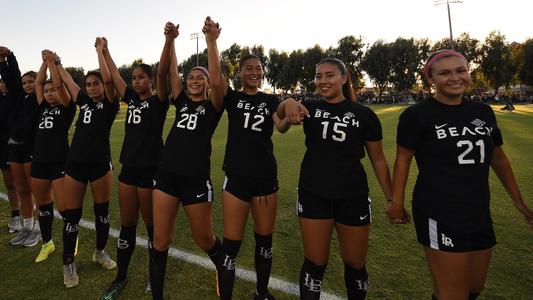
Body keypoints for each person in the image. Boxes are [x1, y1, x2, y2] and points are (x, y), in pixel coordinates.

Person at [388, 49, 533, 300]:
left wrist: (519, 203)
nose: (454, 77)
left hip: (478, 210)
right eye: (444, 73)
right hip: (438, 211)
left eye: (460, 70)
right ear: (430, 79)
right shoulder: (417, 116)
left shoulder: (483, 113)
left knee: (474, 287)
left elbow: (497, 158)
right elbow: (403, 161)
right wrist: (396, 203)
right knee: (452, 294)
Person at [277, 58, 393, 300]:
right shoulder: (309, 108)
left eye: (329, 75)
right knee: (315, 262)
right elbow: (280, 124)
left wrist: (393, 199)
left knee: (355, 263)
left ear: (343, 78)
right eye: (318, 76)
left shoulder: (364, 114)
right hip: (313, 193)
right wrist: (287, 102)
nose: (322, 80)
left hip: (353, 195)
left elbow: (378, 160)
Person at [148, 18, 224, 300]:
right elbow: (168, 72)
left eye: (199, 77)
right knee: (160, 240)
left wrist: (211, 42)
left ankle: (223, 269)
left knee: (205, 239)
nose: (194, 80)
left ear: (207, 84)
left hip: (195, 180)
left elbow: (217, 80)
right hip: (167, 176)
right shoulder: (180, 102)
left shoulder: (214, 106)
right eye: (190, 77)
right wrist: (171, 40)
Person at [98, 30, 170, 299]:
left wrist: (167, 41)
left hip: (152, 170)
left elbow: (164, 75)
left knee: (152, 226)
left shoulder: (159, 101)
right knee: (127, 224)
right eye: (135, 78)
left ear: (151, 80)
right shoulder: (131, 99)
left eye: (142, 77)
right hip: (129, 168)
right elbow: (114, 76)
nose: (137, 81)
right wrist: (105, 51)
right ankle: (121, 277)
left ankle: (155, 278)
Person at [216, 51, 290, 299]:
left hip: (265, 179)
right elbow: (216, 78)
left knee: (264, 242)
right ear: (240, 72)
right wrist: (211, 39)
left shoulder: (270, 100)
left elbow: (280, 125)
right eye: (249, 68)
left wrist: (289, 116)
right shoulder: (233, 98)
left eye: (258, 68)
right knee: (231, 245)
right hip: (237, 177)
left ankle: (262, 292)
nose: (255, 73)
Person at [57, 42, 119, 288]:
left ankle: (100, 252)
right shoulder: (83, 100)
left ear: (103, 85)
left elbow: (110, 78)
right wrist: (58, 63)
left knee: (102, 214)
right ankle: (68, 263)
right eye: (89, 84)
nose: (92, 87)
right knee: (72, 217)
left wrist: (100, 52)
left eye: (96, 83)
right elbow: (70, 83)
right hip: (76, 165)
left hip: (101, 165)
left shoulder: (111, 103)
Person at [32, 50, 75, 263]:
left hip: (60, 160)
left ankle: (71, 238)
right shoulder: (42, 108)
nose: (49, 93)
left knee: (64, 207)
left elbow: (58, 85)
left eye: (53, 90)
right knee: (44, 206)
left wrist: (53, 63)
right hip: (39, 161)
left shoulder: (68, 107)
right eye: (47, 91)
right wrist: (44, 64)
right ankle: (47, 243)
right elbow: (38, 84)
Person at [0, 46, 41, 247]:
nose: (26, 85)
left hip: (31, 149)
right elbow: (11, 80)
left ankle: (40, 230)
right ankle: (27, 227)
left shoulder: (40, 99)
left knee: (38, 192)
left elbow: (14, 76)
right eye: (24, 83)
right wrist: (2, 62)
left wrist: (11, 57)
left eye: (31, 82)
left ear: (37, 82)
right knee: (23, 191)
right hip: (14, 149)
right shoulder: (18, 99)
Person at [0, 73, 20, 234]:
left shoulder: (16, 99)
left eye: (7, 82)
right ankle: (16, 218)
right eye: (2, 82)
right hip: (1, 147)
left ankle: (19, 218)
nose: (4, 85)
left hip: (12, 147)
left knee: (15, 185)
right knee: (9, 185)